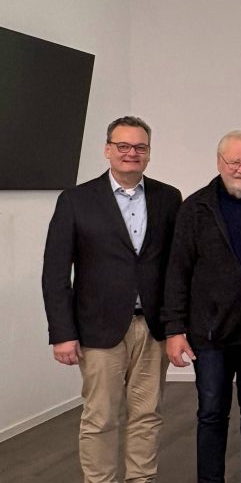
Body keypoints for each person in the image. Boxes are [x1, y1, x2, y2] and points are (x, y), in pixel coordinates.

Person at [42, 116, 182, 483]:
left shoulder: (169, 198)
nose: (131, 153)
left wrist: (176, 325)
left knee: (147, 415)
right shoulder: (75, 200)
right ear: (107, 150)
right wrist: (62, 332)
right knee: (101, 417)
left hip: (152, 328)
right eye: (123, 146)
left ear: (148, 154)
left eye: (140, 147)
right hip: (98, 329)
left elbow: (175, 267)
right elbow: (56, 274)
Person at [162, 130, 241, 483]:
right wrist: (174, 328)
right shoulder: (196, 207)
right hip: (211, 334)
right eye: (234, 161)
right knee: (212, 414)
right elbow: (177, 271)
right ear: (219, 163)